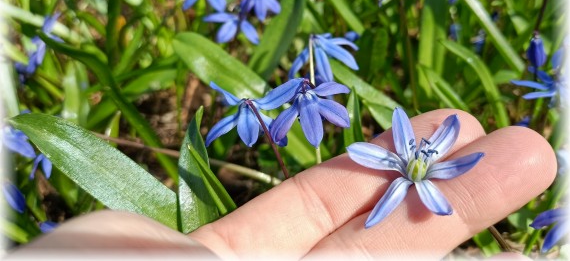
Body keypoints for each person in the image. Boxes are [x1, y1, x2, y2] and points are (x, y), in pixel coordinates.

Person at [8, 109, 557, 259]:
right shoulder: (389, 166)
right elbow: (367, 156)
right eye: (413, 159)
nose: (414, 161)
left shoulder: (423, 179)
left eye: (418, 159)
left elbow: (437, 176)